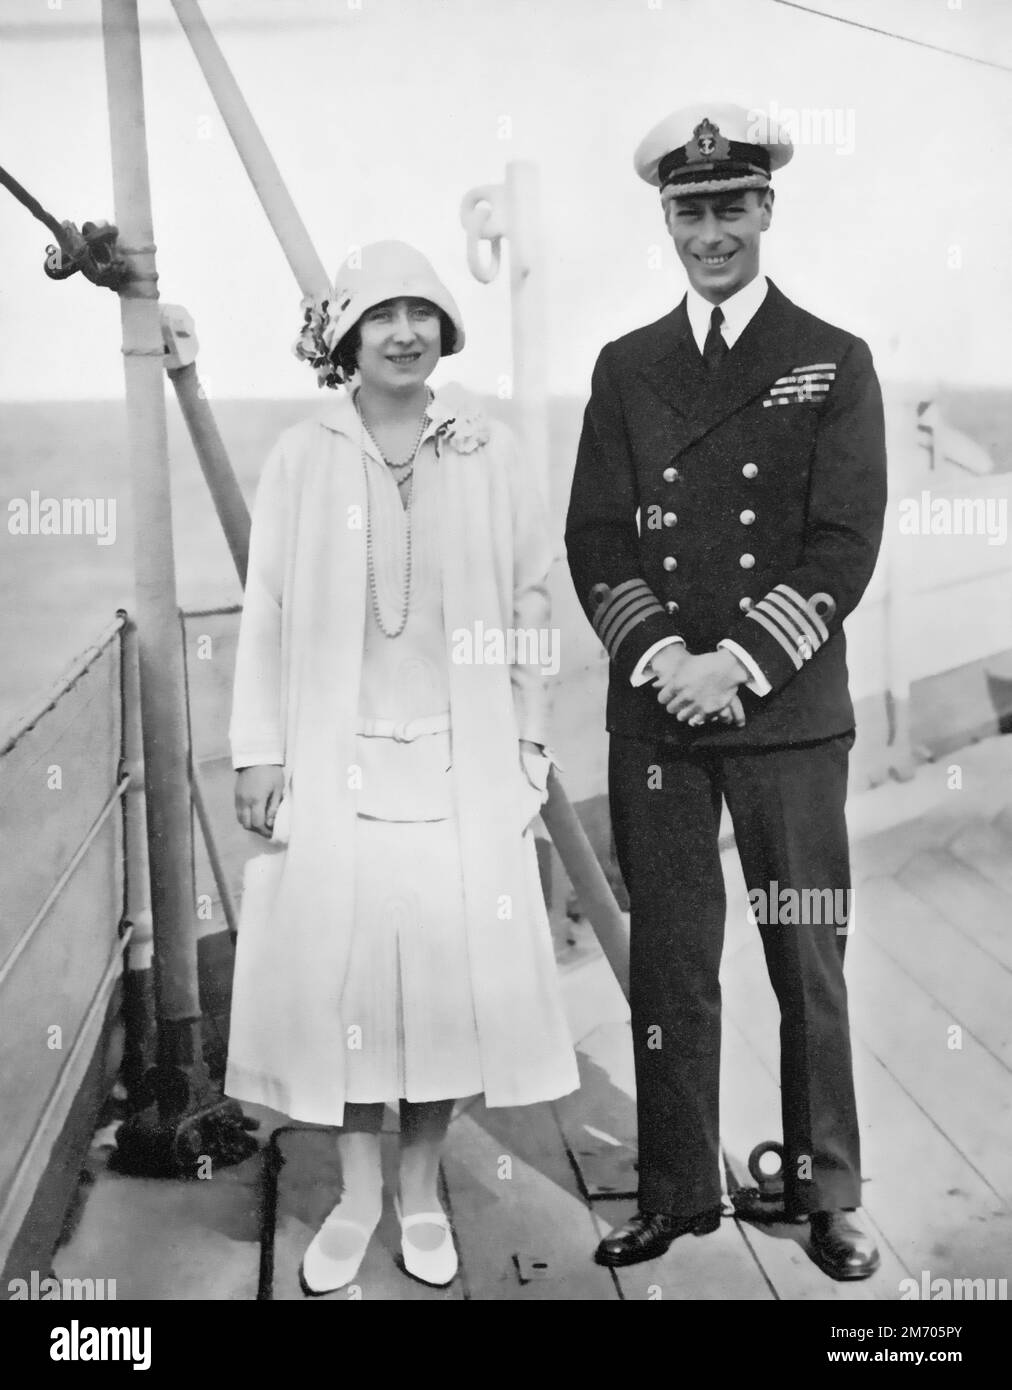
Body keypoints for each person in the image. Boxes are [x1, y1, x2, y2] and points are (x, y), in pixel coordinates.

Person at [564, 104, 887, 1280]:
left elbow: (843, 543)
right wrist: (664, 659)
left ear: (765, 209)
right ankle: (675, 1189)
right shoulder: (625, 366)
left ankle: (824, 1192)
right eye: (687, 211)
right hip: (658, 710)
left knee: (805, 957)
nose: (710, 232)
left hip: (784, 712)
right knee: (670, 960)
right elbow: (597, 533)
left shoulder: (832, 359)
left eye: (728, 208)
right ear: (666, 217)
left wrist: (734, 663)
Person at [225, 240, 578, 1294]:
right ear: (346, 338)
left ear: (445, 334)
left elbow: (530, 601)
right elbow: (267, 612)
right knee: (342, 985)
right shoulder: (302, 456)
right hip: (336, 771)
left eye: (422, 313)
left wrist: (524, 743)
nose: (403, 332)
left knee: (438, 989)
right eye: (381, 314)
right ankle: (356, 1193)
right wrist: (258, 751)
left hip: (460, 768)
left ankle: (419, 1190)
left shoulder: (487, 451)